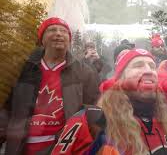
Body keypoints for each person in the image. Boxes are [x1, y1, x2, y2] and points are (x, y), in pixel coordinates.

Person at [52, 49, 167, 155]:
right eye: (138, 66)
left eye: (152, 66)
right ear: (120, 79)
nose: (149, 70)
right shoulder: (90, 121)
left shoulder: (166, 120)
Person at [4, 17, 100, 155]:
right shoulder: (24, 69)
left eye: (64, 31)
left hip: (65, 147)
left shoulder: (84, 72)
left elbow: (93, 109)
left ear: (69, 40)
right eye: (52, 30)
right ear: (42, 39)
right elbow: (6, 108)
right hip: (21, 146)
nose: (59, 34)